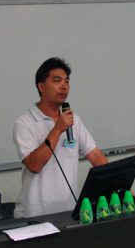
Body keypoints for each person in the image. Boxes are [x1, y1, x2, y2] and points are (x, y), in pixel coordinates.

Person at [14, 57, 108, 217]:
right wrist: (58, 128)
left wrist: (120, 187)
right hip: (35, 214)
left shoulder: (74, 120)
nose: (64, 86)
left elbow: (95, 155)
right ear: (41, 86)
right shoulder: (24, 123)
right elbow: (34, 165)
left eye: (67, 81)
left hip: (69, 211)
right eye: (57, 81)